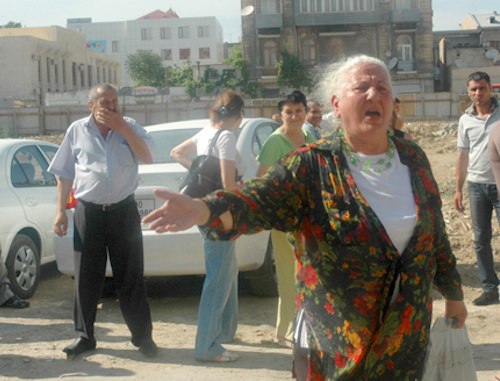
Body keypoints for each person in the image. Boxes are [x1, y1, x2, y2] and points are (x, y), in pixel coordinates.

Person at [142, 55, 467, 380]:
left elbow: (434, 233)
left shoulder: (412, 157)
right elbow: (257, 199)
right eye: (362, 87)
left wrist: (453, 294)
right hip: (335, 350)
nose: (374, 94)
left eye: (382, 87)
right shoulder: (311, 165)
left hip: (403, 346)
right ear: (336, 106)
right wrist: (205, 209)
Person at [48, 83, 158, 358]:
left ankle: (143, 337)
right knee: (86, 277)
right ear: (91, 106)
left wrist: (124, 128)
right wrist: (60, 211)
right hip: (89, 213)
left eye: (114, 101)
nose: (111, 107)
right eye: (104, 102)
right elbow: (63, 173)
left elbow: (147, 156)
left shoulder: (129, 126)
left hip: (123, 211)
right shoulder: (77, 130)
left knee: (131, 277)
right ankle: (85, 337)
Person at [170, 90, 245, 362]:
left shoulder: (205, 133)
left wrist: (198, 173)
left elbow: (176, 152)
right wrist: (230, 214)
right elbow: (228, 185)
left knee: (227, 270)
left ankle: (225, 331)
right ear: (239, 115)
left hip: (204, 207)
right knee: (219, 277)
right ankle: (207, 346)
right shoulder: (226, 136)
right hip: (220, 212)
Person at [256, 90, 317, 349]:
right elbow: (261, 179)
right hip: (284, 218)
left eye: (299, 110)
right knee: (288, 272)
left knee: (308, 274)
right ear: (280, 115)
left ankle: (304, 328)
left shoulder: (311, 135)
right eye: (289, 112)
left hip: (311, 216)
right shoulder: (274, 141)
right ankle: (286, 331)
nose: (294, 116)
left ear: (306, 111)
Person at [455, 71, 500, 306]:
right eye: (473, 89)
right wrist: (459, 189)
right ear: (468, 91)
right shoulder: (465, 120)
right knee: (481, 240)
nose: (478, 93)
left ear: (490, 89)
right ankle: (490, 289)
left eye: (482, 88)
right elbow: (463, 155)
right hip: (476, 187)